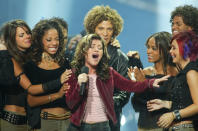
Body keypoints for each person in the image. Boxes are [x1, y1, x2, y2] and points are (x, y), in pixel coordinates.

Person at [64, 34, 169, 131]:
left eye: (100, 48)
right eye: (93, 46)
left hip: (103, 126)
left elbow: (129, 85)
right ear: (84, 50)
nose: (97, 50)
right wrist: (79, 85)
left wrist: (150, 83)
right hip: (79, 127)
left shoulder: (108, 73)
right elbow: (70, 103)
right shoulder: (73, 74)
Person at [0, 19, 70, 131]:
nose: (27, 36)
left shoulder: (29, 59)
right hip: (11, 120)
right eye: (21, 35)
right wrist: (58, 86)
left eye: (28, 33)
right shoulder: (9, 59)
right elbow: (31, 90)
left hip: (29, 122)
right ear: (12, 39)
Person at [83, 5, 143, 131]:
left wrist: (103, 102)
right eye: (101, 28)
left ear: (114, 31)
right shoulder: (81, 54)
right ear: (92, 29)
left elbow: (124, 94)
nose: (105, 33)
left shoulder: (121, 58)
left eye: (109, 29)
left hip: (108, 122)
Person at [24, 19, 71, 131]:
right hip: (46, 123)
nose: (54, 43)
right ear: (40, 40)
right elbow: (31, 101)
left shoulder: (65, 63)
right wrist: (57, 95)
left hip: (67, 122)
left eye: (57, 39)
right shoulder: (31, 65)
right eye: (49, 40)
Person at [147, 31, 198, 130]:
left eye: (174, 48)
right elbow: (184, 102)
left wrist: (173, 115)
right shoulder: (183, 74)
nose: (170, 51)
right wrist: (164, 103)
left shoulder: (191, 73)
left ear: (185, 49)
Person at [129, 32, 178, 131]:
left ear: (166, 50)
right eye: (148, 47)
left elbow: (175, 102)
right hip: (143, 126)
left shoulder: (176, 74)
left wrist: (143, 83)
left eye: (153, 48)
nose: (148, 51)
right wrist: (137, 85)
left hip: (166, 126)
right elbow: (137, 105)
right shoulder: (145, 72)